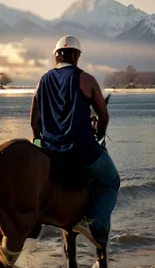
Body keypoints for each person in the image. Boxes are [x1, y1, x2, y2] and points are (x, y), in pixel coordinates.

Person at [30, 35, 120, 248]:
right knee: (112, 182)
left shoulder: (42, 81)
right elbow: (103, 116)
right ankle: (93, 223)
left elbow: (34, 120)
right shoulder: (85, 79)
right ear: (76, 56)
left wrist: (39, 142)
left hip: (52, 152)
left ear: (56, 56)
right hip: (82, 151)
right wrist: (99, 133)